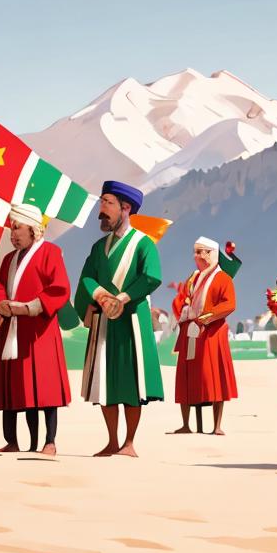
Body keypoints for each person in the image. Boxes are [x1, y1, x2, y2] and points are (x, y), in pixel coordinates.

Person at [76, 181, 163, 457]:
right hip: (105, 320)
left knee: (132, 380)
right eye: (101, 203)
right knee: (106, 379)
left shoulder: (143, 244)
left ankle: (129, 442)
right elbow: (86, 278)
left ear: (125, 208)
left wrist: (123, 298)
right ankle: (112, 441)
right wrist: (100, 296)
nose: (102, 210)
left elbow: (152, 276)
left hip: (132, 321)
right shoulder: (98, 247)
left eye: (108, 203)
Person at [0, 204, 71, 455]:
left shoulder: (50, 252)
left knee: (44, 387)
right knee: (11, 385)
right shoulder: (8, 259)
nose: (12, 234)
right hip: (12, 328)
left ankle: (49, 442)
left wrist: (30, 307)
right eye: (11, 229)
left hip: (39, 330)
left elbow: (60, 288)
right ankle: (12, 441)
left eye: (17, 228)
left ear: (33, 229)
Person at [171, 237, 239, 435]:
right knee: (186, 378)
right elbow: (181, 299)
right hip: (189, 332)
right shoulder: (193, 278)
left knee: (213, 377)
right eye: (195, 252)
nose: (196, 256)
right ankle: (186, 424)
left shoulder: (223, 278)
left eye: (201, 251)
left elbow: (229, 304)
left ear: (211, 253)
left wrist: (205, 318)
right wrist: (183, 307)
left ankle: (216, 426)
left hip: (212, 333)